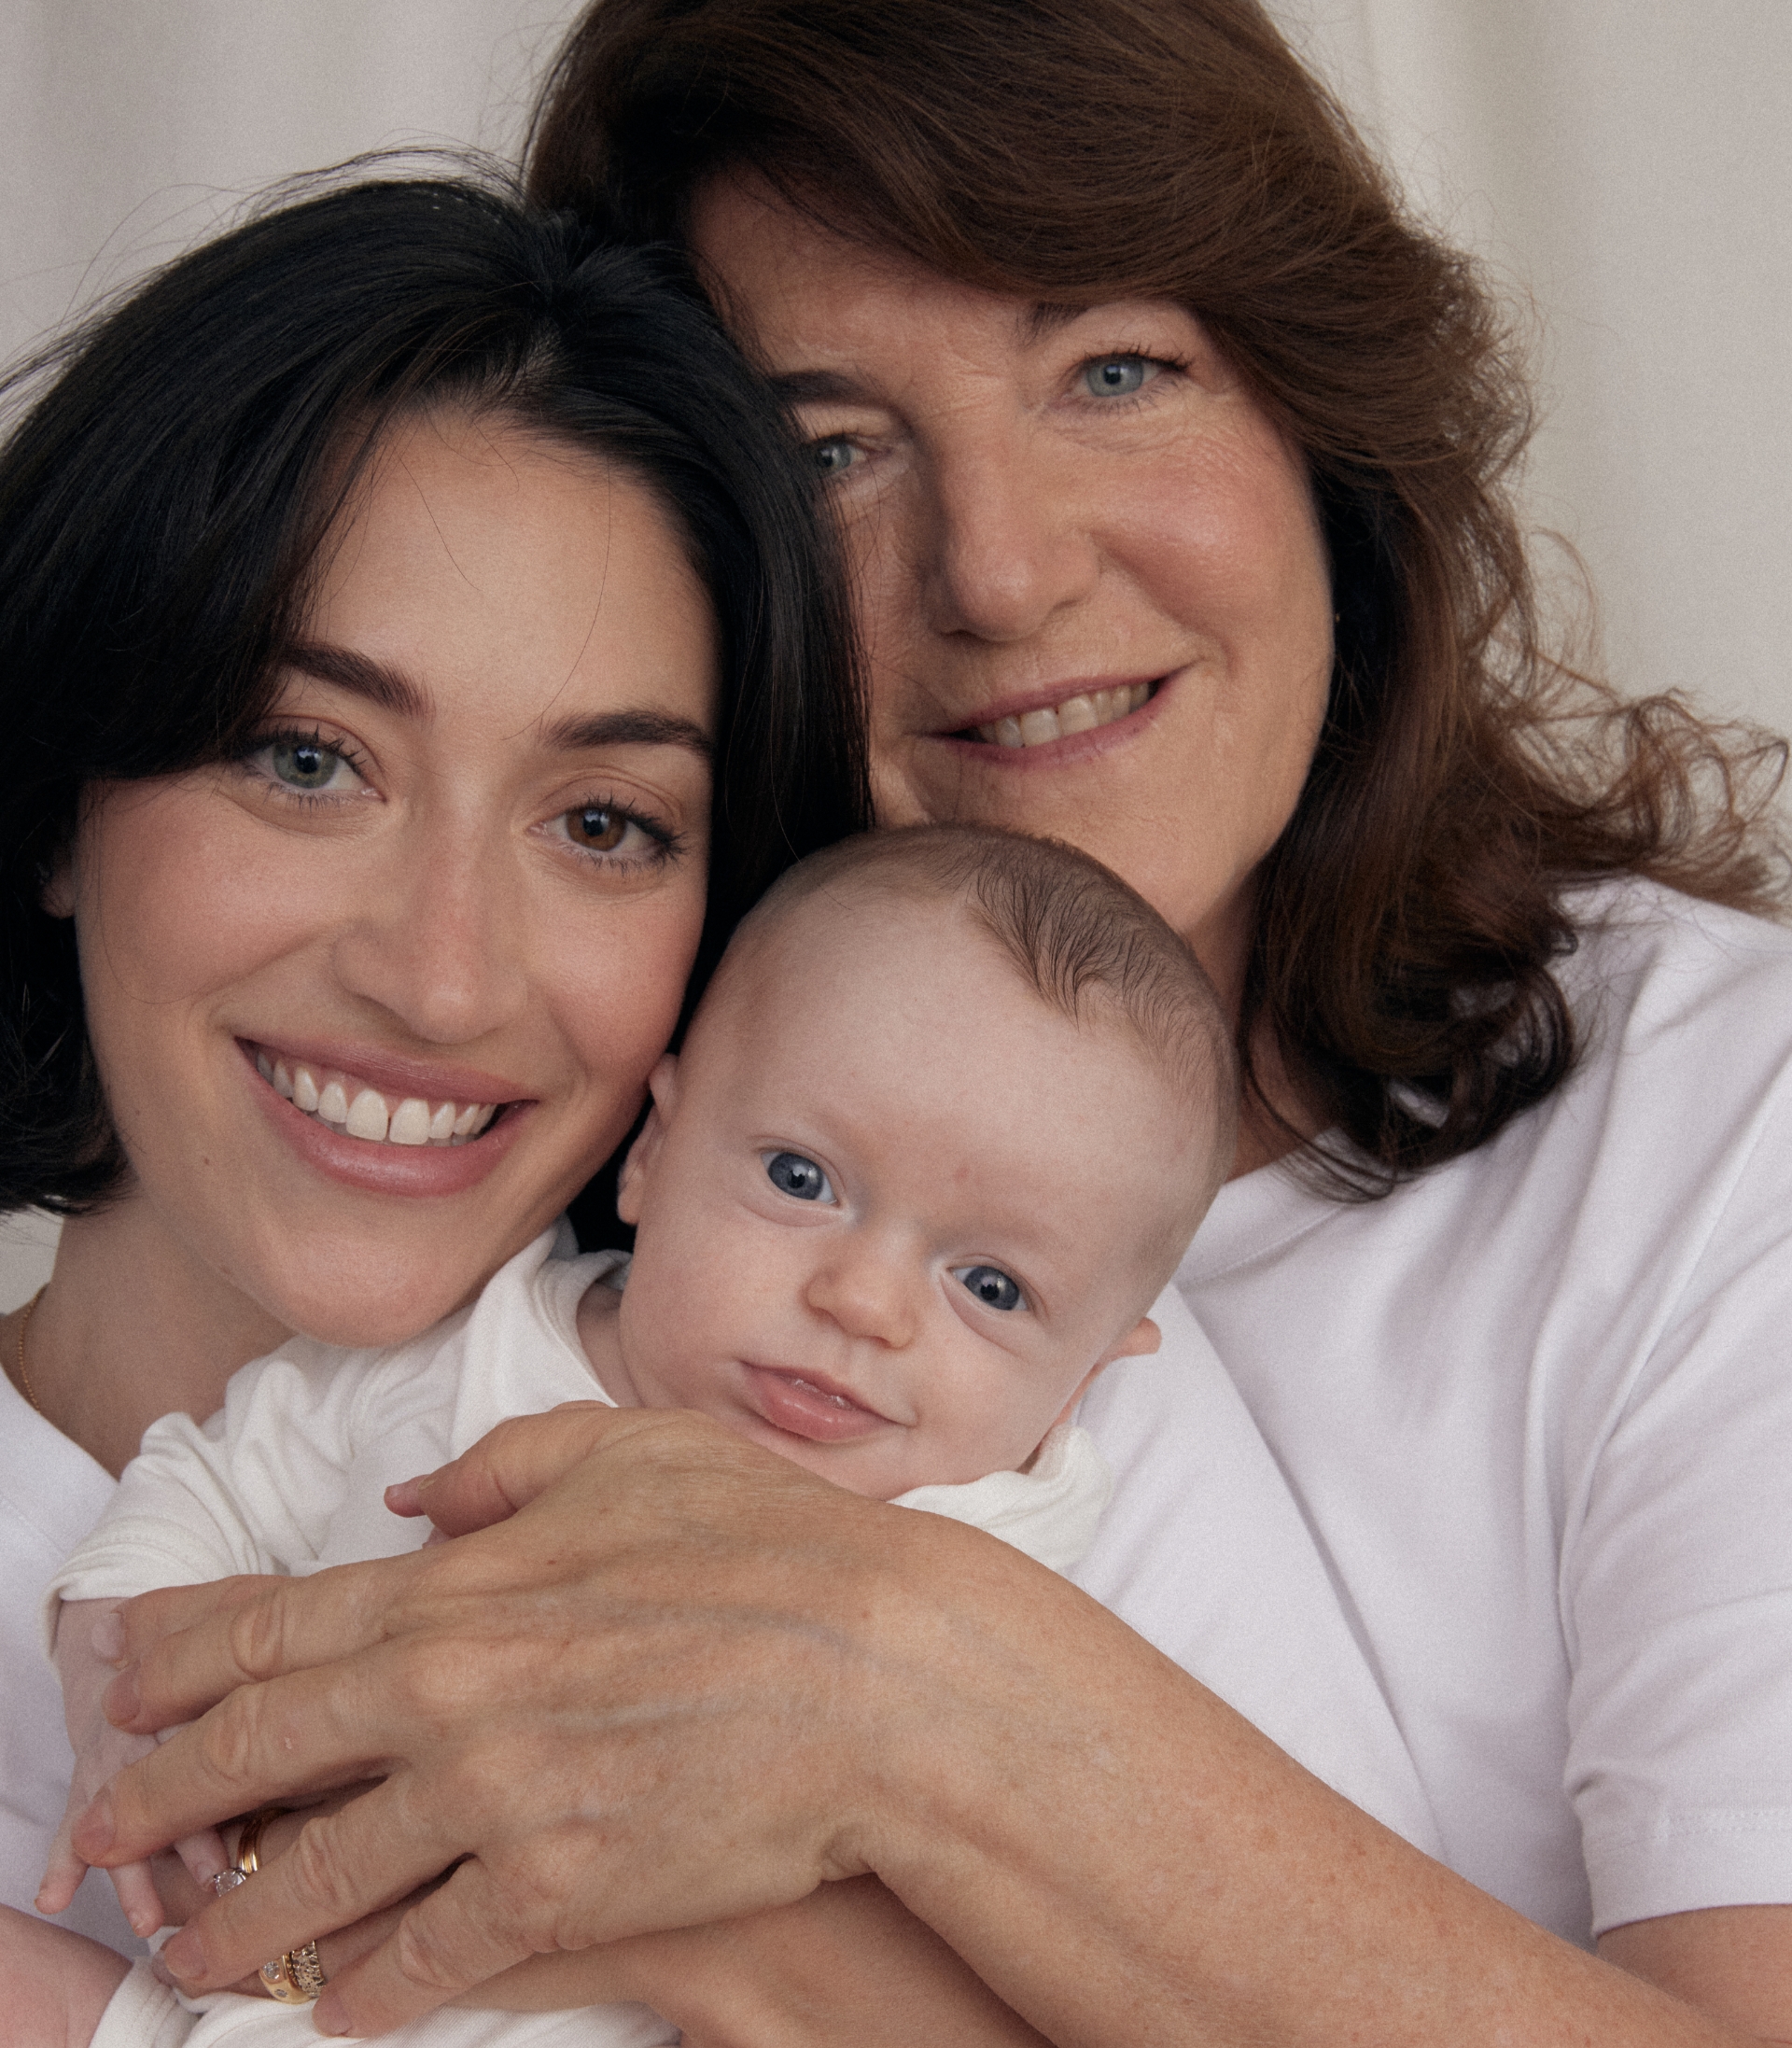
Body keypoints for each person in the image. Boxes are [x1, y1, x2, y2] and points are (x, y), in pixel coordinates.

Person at [61, 2, 1792, 2043]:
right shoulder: (532, 1092)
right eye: (834, 451)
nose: (1003, 569)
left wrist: (888, 1705)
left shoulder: (1711, 1114)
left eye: (1119, 369)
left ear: (1326, 430)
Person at [0, 163, 868, 2041]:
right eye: (308, 757)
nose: (448, 972)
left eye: (605, 822)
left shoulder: (958, 1446)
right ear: (62, 795)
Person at [43, 821, 1235, 2044]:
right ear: (655, 1150)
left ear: (1090, 1369)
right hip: (208, 2000)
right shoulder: (473, 1335)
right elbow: (209, 1477)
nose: (861, 1302)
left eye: (990, 1286)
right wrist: (123, 1681)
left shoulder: (984, 1549)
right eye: (801, 1177)